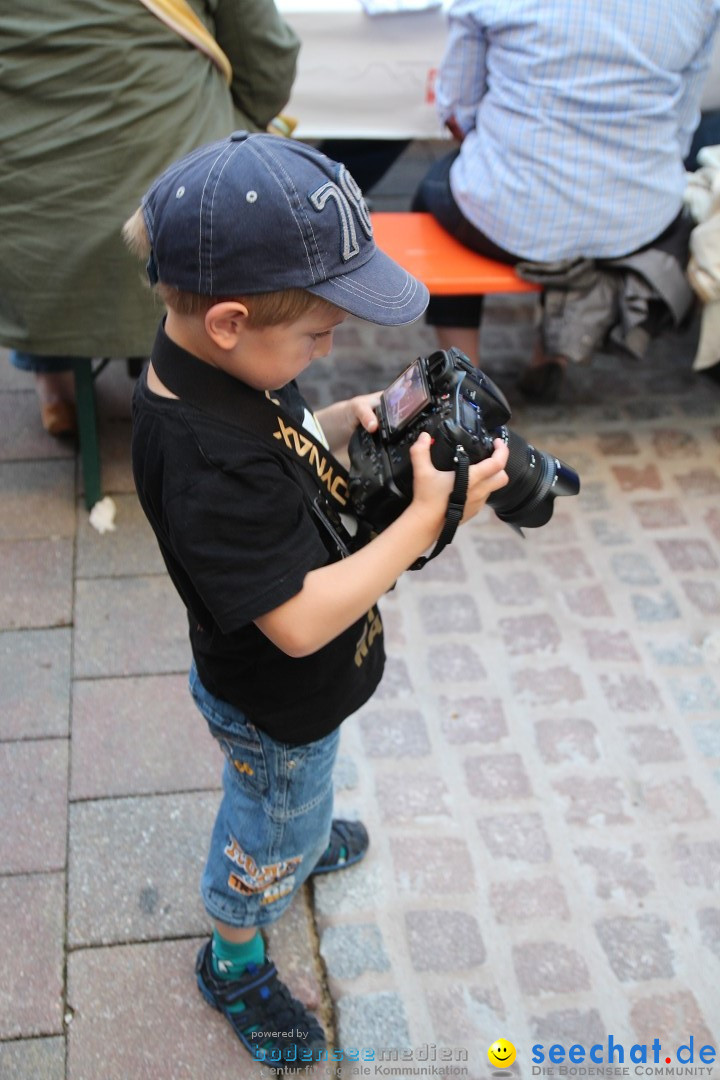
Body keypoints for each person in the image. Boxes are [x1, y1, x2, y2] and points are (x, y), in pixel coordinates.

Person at [124, 131, 509, 1067]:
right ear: (228, 321)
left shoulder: (218, 369)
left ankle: (296, 824)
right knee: (267, 819)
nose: (328, 349)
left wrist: (342, 418)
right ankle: (237, 944)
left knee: (295, 790)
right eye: (317, 335)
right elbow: (295, 623)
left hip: (285, 698)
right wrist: (423, 520)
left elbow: (283, 429)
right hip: (274, 701)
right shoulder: (208, 462)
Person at [0, 0, 299, 435]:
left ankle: (54, 379)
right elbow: (267, 70)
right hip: (176, 216)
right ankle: (210, 376)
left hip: (33, 234)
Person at [413, 0, 720, 399]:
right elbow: (682, 120)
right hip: (637, 220)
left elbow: (457, 106)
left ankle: (464, 378)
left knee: (441, 190)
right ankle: (549, 355)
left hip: (509, 215)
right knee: (566, 203)